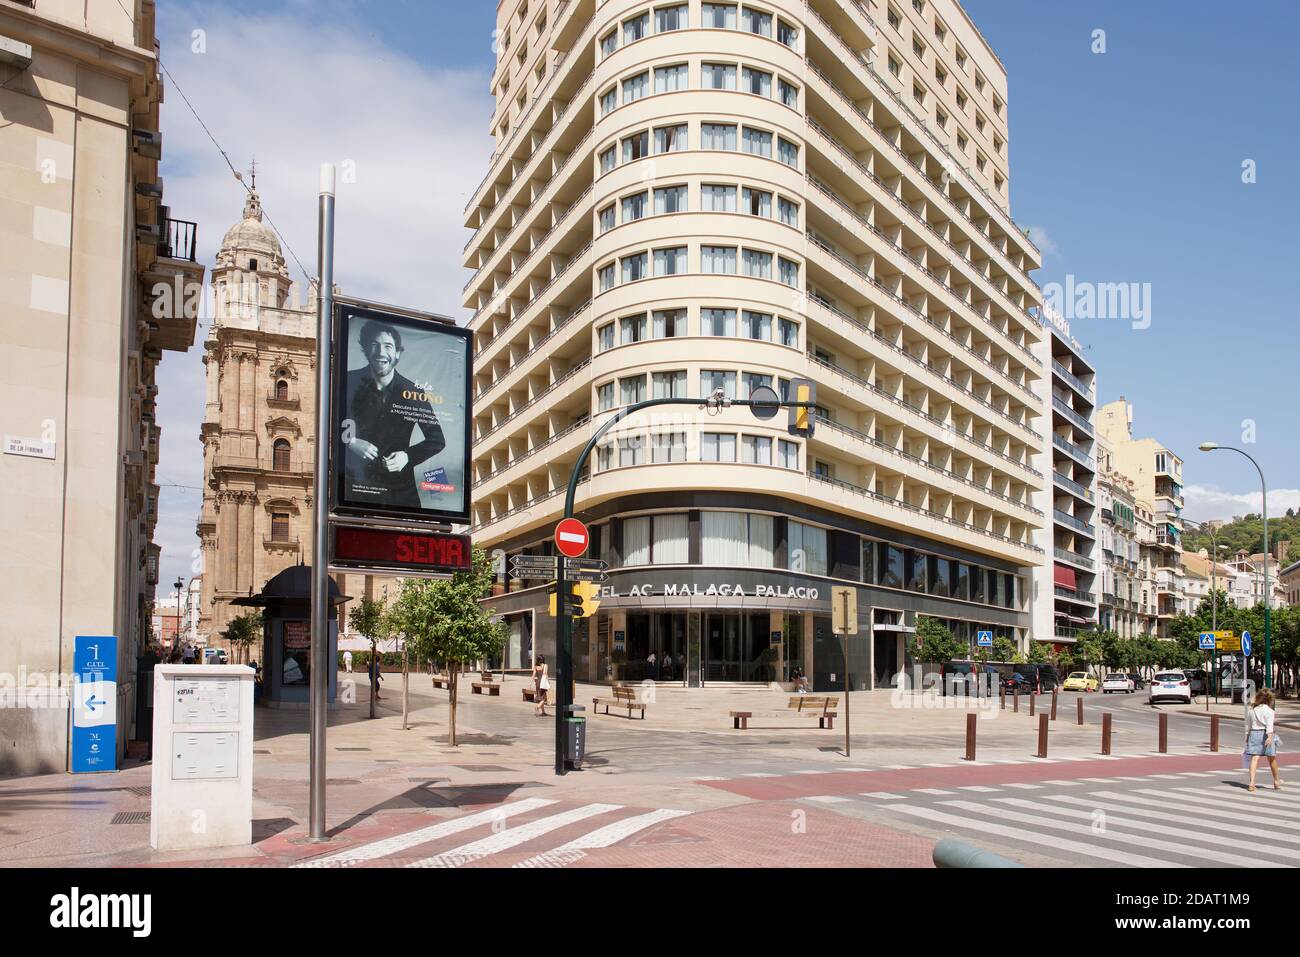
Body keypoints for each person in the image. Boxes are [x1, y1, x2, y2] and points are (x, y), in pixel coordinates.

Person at [343, 320, 446, 510]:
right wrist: (351, 441)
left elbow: (437, 440)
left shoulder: (413, 392)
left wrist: (407, 456)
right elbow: (330, 425)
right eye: (374, 345)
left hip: (401, 494)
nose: (381, 352)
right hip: (356, 490)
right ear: (365, 350)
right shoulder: (348, 381)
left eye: (388, 346)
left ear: (397, 353)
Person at [1246, 688, 1283, 792]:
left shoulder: (1252, 710)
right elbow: (1269, 726)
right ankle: (1276, 781)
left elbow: (1248, 726)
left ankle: (1252, 783)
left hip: (1254, 733)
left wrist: (1248, 736)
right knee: (1272, 759)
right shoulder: (1270, 711)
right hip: (1266, 734)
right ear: (1270, 699)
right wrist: (1270, 737)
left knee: (1254, 759)